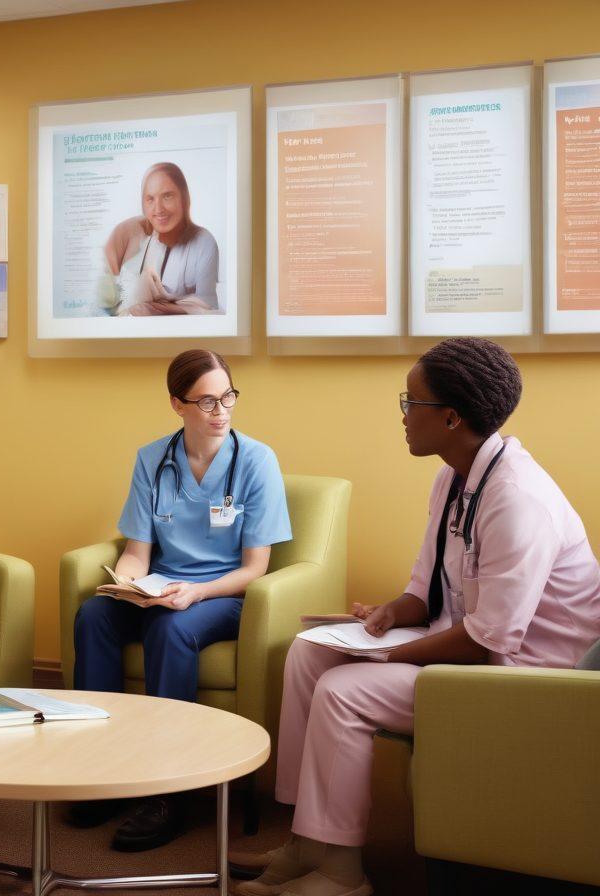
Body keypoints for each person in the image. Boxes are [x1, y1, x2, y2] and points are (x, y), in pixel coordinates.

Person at [236, 338, 600, 896]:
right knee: (308, 653)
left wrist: (382, 652)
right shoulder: (453, 479)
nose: (403, 417)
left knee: (343, 690)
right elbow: (425, 592)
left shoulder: (518, 500)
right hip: (469, 644)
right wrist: (386, 615)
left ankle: (341, 872)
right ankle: (308, 844)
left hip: (528, 677)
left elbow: (486, 641)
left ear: (451, 417)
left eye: (411, 403)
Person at [73, 349, 292, 851]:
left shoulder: (256, 460)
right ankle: (98, 767)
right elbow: (136, 551)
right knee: (94, 615)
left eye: (228, 398)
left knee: (172, 628)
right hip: (163, 588)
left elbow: (255, 568)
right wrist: (126, 584)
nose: (221, 412)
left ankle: (170, 790)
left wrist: (194, 592)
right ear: (178, 404)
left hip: (223, 593)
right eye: (207, 402)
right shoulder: (154, 458)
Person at [104, 162, 220, 317]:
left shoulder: (203, 243)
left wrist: (152, 309)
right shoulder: (139, 239)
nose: (158, 209)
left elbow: (209, 308)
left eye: (167, 196)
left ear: (183, 198)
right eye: (150, 199)